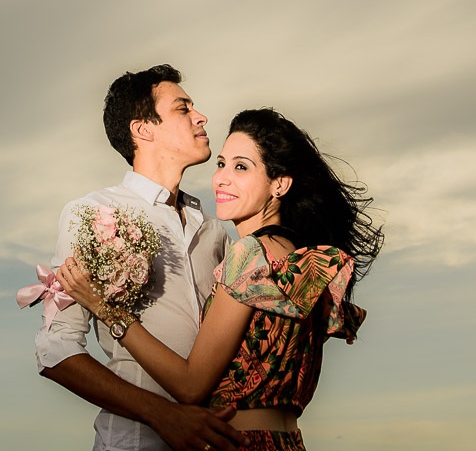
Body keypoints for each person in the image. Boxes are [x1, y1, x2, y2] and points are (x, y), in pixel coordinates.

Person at [60, 108, 383, 451]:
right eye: (221, 164)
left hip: (238, 443)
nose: (222, 179)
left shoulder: (248, 254)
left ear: (279, 183)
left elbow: (190, 386)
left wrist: (107, 311)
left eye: (241, 167)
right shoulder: (296, 254)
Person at [35, 64, 246, 451]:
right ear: (143, 129)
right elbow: (55, 349)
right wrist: (162, 415)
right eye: (183, 109)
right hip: (134, 443)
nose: (201, 117)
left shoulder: (215, 230)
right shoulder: (93, 213)